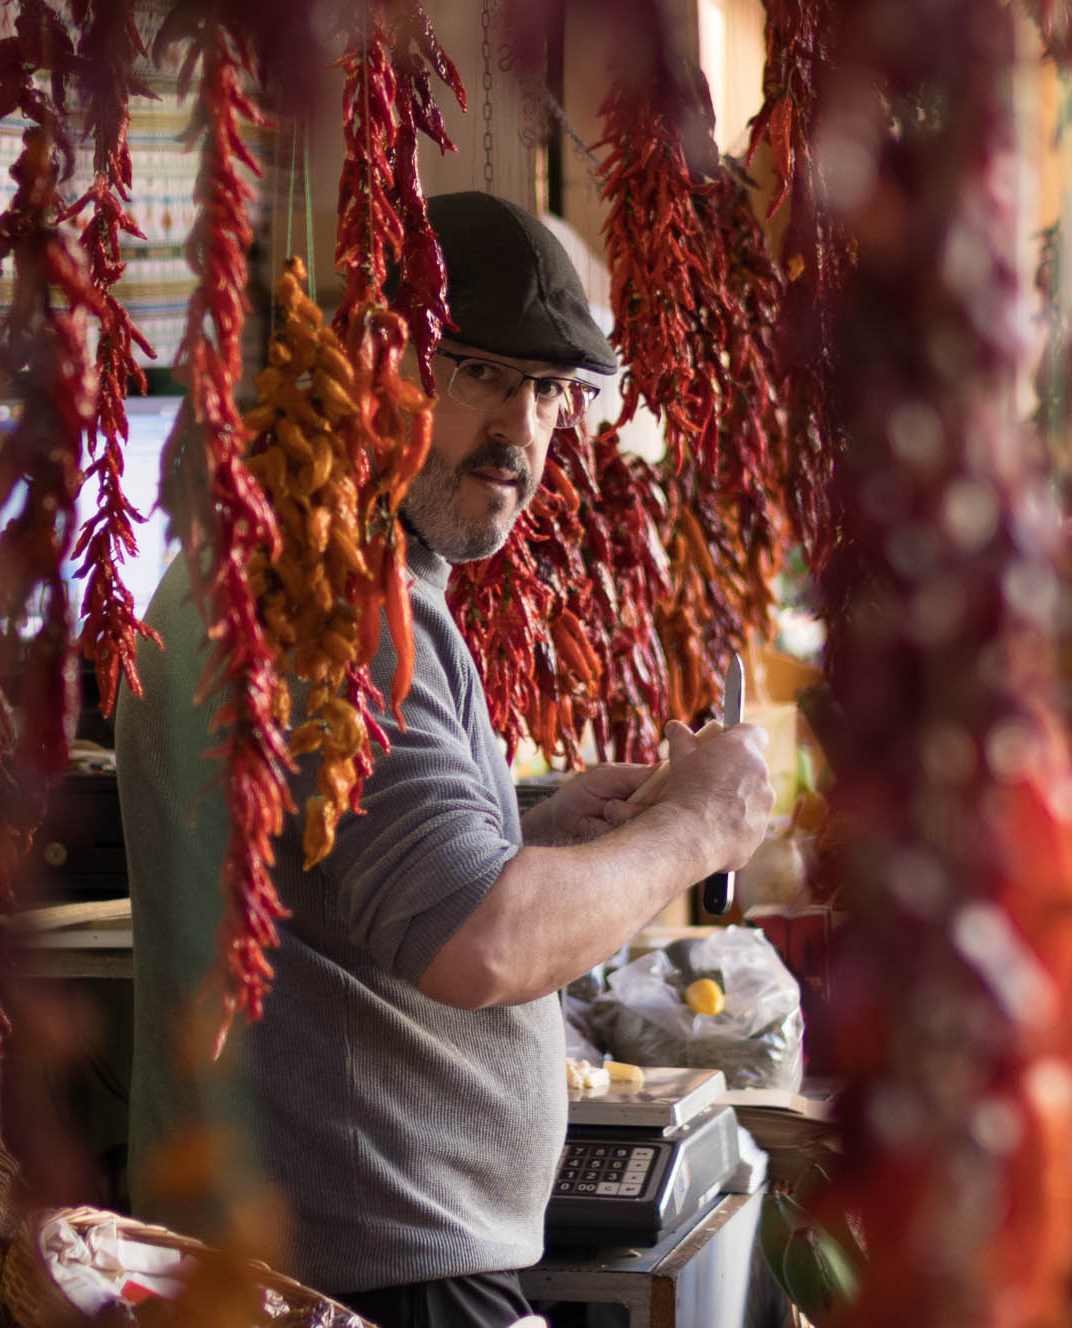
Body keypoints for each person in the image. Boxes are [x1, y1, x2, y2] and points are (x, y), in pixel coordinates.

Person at [116, 191, 775, 1328]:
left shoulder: (273, 557)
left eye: (550, 390)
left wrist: (530, 827)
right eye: (477, 371)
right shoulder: (344, 604)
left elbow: (331, 864)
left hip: (327, 1253)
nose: (522, 431)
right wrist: (696, 829)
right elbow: (477, 944)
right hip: (373, 1270)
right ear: (377, 366)